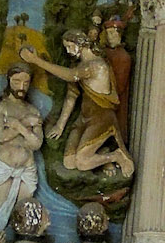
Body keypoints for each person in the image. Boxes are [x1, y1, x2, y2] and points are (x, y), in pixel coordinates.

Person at [18, 31, 135, 180]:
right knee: (69, 162)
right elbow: (71, 97)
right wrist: (60, 125)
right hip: (84, 117)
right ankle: (101, 152)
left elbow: (70, 75)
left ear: (80, 43)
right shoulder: (79, 66)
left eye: (69, 46)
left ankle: (115, 156)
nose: (68, 51)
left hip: (101, 117)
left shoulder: (97, 65)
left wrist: (36, 60)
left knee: (82, 162)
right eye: (66, 47)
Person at [0, 66, 44, 233]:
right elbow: (1, 136)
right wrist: (25, 123)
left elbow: (36, 143)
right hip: (2, 167)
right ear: (9, 81)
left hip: (26, 170)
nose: (21, 87)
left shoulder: (33, 111)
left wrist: (18, 126)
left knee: (23, 217)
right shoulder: (1, 107)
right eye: (17, 81)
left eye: (26, 82)